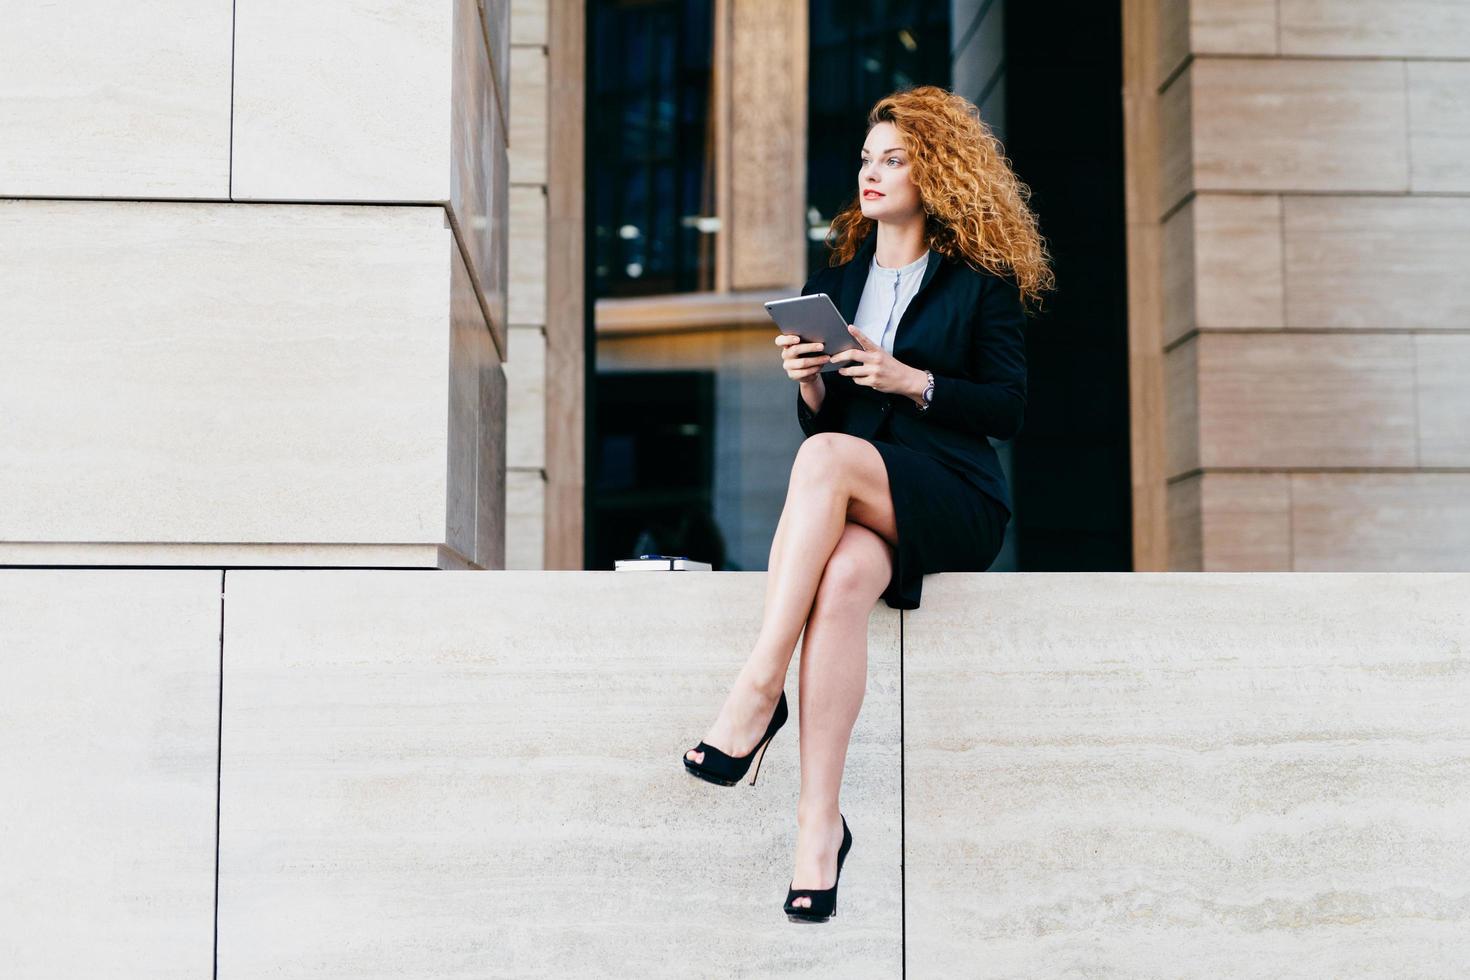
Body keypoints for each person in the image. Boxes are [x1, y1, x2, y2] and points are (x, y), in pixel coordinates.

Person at [681, 85, 1055, 923]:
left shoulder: (978, 283)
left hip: (953, 493)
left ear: (938, 173)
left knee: (824, 458)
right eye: (865, 158)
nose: (871, 174)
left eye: (893, 159)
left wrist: (908, 380)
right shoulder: (837, 280)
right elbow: (827, 425)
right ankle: (820, 828)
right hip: (864, 499)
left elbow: (1007, 410)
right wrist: (810, 383)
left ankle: (757, 687)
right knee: (844, 578)